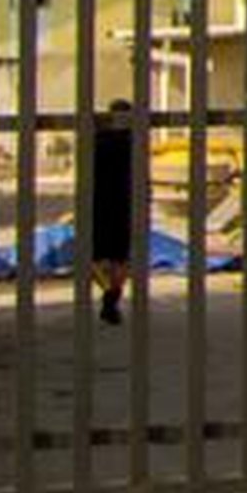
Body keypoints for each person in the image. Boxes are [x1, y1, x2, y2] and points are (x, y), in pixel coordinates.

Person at [87, 98, 139, 324]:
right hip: (124, 200)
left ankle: (109, 291)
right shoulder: (134, 141)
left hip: (98, 200)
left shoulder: (97, 139)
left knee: (96, 255)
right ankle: (112, 294)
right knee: (121, 256)